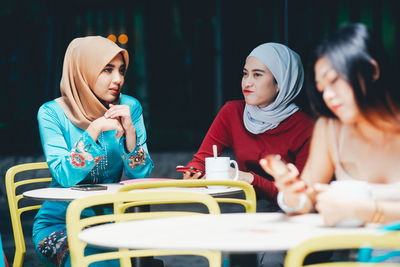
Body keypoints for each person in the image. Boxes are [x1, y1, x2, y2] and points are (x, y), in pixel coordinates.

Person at [260, 23, 400, 226]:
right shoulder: (331, 129)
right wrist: (290, 192)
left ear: (371, 71)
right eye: (321, 88)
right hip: (353, 256)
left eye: (334, 81)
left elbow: (357, 210)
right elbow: (305, 200)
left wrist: (363, 210)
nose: (328, 96)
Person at [33, 36, 154, 267]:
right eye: (107, 70)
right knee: (99, 262)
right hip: (61, 223)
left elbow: (142, 176)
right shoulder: (51, 113)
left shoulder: (129, 108)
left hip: (113, 221)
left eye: (121, 70)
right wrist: (94, 129)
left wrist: (130, 134)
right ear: (82, 70)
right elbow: (65, 176)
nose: (118, 79)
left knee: (144, 256)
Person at [183, 42, 314, 211]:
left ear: (280, 82)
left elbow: (301, 196)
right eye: (245, 74)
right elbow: (201, 159)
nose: (247, 83)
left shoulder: (306, 128)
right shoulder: (232, 112)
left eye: (257, 75)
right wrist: (193, 171)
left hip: (290, 212)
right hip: (247, 206)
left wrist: (248, 179)